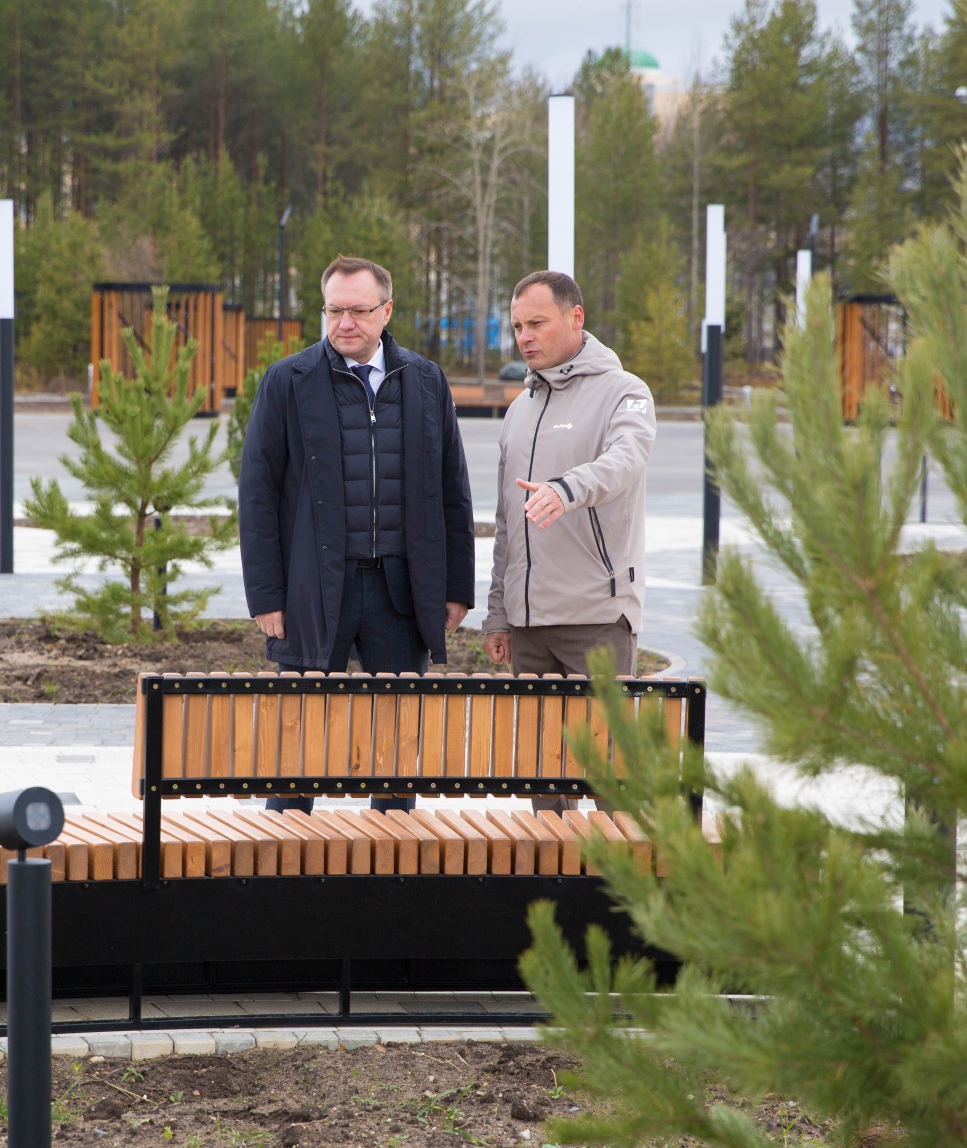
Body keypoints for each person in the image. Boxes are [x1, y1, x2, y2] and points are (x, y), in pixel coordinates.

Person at [239, 255, 475, 812]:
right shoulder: (287, 381)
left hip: (398, 593)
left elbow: (453, 490)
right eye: (334, 310)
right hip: (314, 589)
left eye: (359, 311)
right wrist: (267, 597)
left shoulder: (425, 381)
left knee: (396, 756)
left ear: (386, 311)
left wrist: (456, 589)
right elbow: (257, 496)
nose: (345, 323)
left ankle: (391, 859)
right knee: (297, 752)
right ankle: (284, 855)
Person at [484, 271, 656, 809]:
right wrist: (498, 613)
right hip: (529, 627)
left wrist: (566, 489)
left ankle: (614, 869)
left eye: (537, 323)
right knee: (545, 793)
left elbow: (625, 460)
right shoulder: (520, 409)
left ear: (576, 317)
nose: (525, 337)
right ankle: (552, 868)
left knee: (610, 787)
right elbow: (508, 524)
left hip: (596, 618)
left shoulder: (625, 392)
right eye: (517, 326)